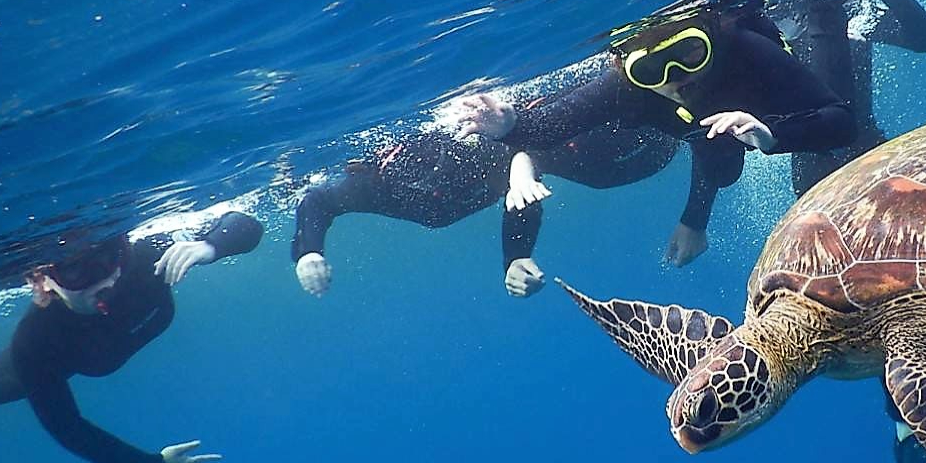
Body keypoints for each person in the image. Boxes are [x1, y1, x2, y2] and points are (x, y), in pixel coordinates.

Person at [459, 5, 856, 267]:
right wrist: (507, 127)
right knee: (722, 169)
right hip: (715, 140)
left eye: (687, 54)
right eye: (650, 69)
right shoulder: (625, 88)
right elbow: (548, 128)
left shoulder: (744, 50)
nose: (674, 78)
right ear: (628, 71)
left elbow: (840, 123)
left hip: (781, 99)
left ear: (710, 39)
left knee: (831, 156)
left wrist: (771, 135)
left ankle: (847, 21)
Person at [0, 211, 263, 463]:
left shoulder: (146, 258)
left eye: (108, 256)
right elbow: (67, 428)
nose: (103, 277)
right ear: (42, 281)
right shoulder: (36, 342)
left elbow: (245, 224)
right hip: (28, 370)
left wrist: (209, 247)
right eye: (73, 270)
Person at [291, 103, 678, 299]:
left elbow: (523, 186)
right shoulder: (374, 185)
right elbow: (316, 201)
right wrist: (309, 252)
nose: (432, 177)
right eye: (416, 173)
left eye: (436, 163)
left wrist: (517, 254)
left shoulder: (473, 151)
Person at [773, 0, 926, 195]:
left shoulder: (854, 14)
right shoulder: (780, 30)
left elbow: (924, 40)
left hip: (862, 152)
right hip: (823, 163)